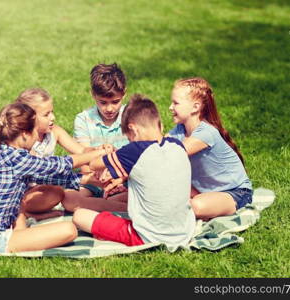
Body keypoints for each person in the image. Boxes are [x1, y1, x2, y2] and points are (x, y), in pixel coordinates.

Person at [0, 102, 110, 257]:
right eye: (35, 131)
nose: (38, 137)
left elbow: (50, 178)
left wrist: (91, 179)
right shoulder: (17, 159)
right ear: (24, 133)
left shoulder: (6, 152)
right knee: (69, 230)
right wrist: (98, 153)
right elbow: (58, 165)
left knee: (24, 206)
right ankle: (20, 237)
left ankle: (22, 234)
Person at [72, 94, 195, 251]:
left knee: (80, 216)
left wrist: (106, 151)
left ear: (133, 129)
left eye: (128, 138)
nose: (130, 141)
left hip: (147, 236)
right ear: (160, 125)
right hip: (184, 231)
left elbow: (94, 164)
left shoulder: (135, 150)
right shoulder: (178, 146)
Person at [15, 88, 126, 214]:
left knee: (69, 197)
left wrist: (99, 149)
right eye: (46, 114)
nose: (53, 117)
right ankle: (25, 213)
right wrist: (87, 177)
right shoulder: (22, 141)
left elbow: (81, 151)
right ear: (29, 118)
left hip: (51, 185)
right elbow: (41, 175)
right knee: (56, 193)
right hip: (27, 194)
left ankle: (120, 207)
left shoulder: (54, 132)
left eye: (52, 112)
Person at [168, 77, 253, 220]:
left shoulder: (206, 133)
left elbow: (171, 154)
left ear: (195, 107)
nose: (170, 107)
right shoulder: (179, 130)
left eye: (175, 103)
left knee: (193, 207)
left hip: (235, 192)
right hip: (203, 192)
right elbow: (156, 149)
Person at [63, 63, 130, 211]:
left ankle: (105, 207)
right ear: (93, 95)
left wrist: (119, 178)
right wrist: (99, 178)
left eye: (115, 102)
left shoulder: (131, 116)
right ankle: (110, 206)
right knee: (68, 198)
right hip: (92, 179)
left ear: (124, 94)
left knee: (138, 194)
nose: (109, 108)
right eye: (103, 102)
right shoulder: (84, 119)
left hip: (125, 179)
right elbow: (83, 161)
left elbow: (139, 155)